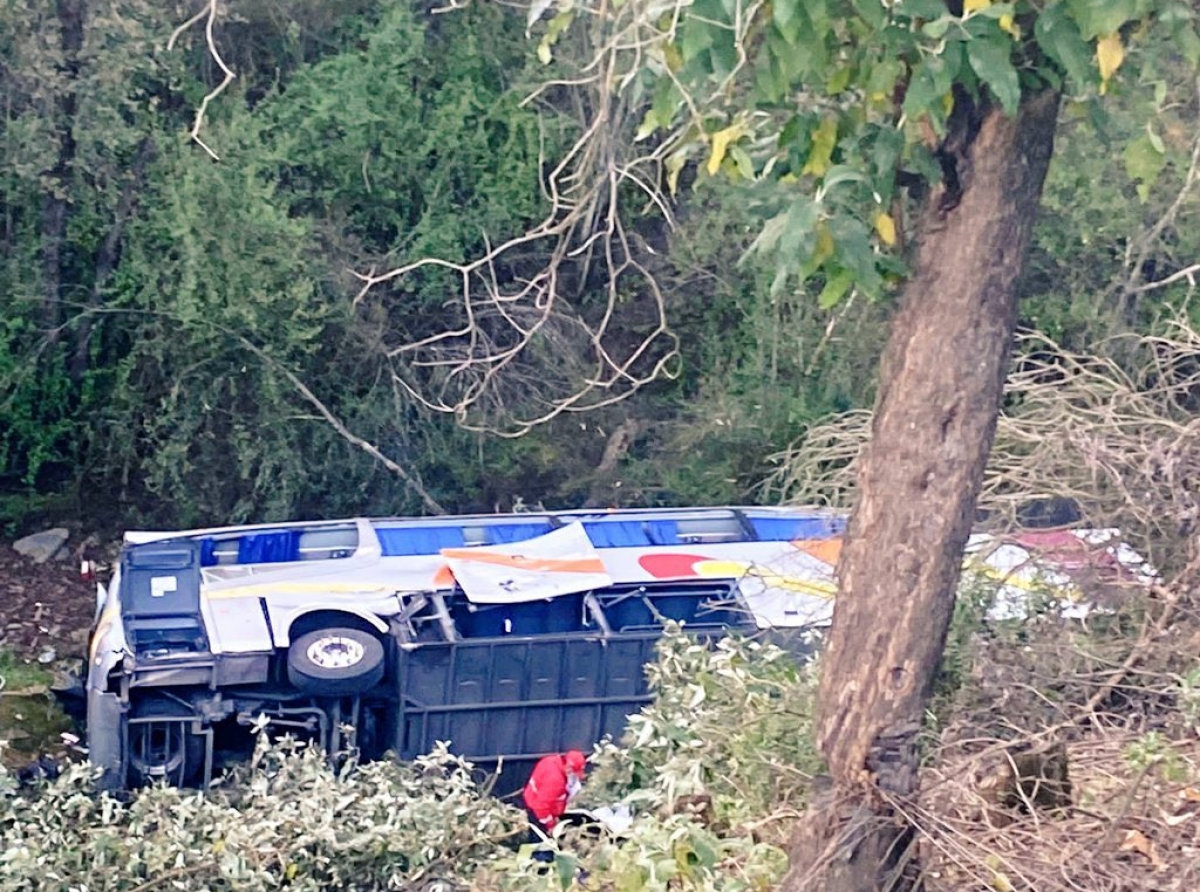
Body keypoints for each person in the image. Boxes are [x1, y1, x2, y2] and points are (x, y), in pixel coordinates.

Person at [522, 749, 587, 833]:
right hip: (537, 813)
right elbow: (541, 806)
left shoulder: (551, 760)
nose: (575, 777)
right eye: (575, 773)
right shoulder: (556, 781)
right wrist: (550, 825)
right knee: (539, 840)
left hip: (531, 799)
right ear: (569, 768)